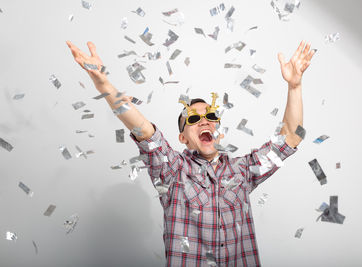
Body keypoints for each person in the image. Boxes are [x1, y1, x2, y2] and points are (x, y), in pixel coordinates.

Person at [66, 40, 315, 266]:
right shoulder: (172, 170)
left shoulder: (243, 171)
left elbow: (291, 138)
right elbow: (142, 129)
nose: (204, 121)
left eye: (210, 116)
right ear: (183, 138)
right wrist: (102, 81)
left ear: (219, 130)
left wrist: (295, 86)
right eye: (193, 118)